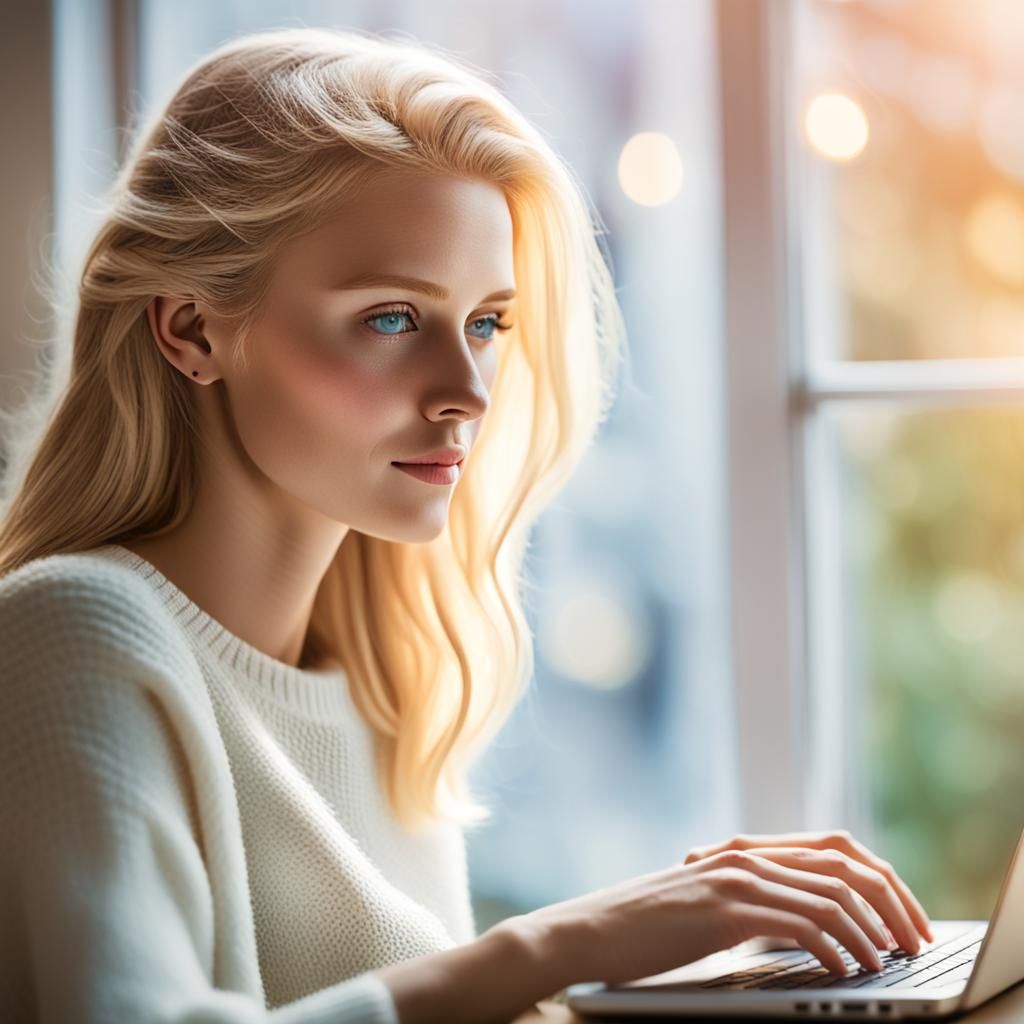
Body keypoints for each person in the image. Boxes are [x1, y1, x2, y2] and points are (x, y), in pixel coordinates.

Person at [0, 24, 933, 1024]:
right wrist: (556, 946)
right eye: (392, 318)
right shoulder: (73, 628)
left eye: (488, 322)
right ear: (190, 329)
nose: (466, 391)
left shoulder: (381, 687)